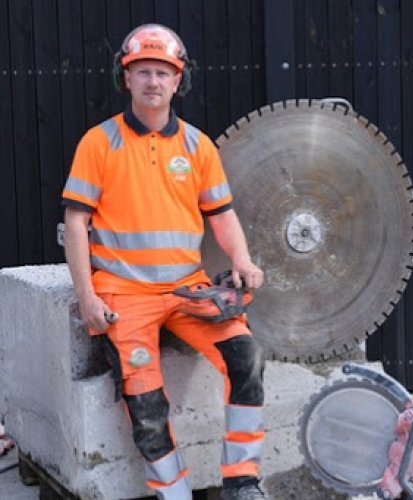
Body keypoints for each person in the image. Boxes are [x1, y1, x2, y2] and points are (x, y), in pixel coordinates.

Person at [62, 23, 269, 500]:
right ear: (126, 78)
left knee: (247, 359)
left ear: (179, 81)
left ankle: (242, 482)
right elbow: (75, 224)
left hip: (188, 289)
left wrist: (241, 258)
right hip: (123, 295)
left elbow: (222, 215)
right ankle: (174, 492)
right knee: (146, 402)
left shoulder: (198, 146)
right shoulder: (99, 143)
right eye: (143, 72)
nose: (152, 81)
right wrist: (87, 296)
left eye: (162, 72)